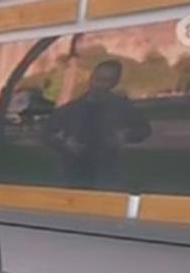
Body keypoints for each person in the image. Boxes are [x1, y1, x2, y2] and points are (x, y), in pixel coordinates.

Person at [41, 59, 151, 189]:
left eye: (106, 80)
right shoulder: (71, 108)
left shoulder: (123, 107)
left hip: (107, 172)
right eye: (97, 78)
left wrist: (125, 135)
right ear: (91, 77)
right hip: (74, 174)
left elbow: (144, 129)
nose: (99, 84)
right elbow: (46, 133)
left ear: (115, 83)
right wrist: (65, 143)